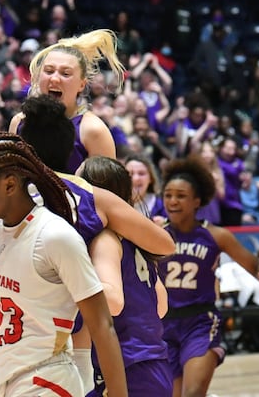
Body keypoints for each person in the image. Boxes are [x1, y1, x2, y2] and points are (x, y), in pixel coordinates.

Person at [0, 94, 177, 396]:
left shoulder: (2, 192)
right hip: (42, 331)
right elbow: (164, 244)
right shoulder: (92, 197)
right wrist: (113, 232)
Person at [0, 132, 128, 397]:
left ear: (10, 185)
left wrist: (118, 393)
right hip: (10, 382)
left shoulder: (54, 236)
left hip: (49, 380)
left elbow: (102, 324)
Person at [158, 155, 259, 397]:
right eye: (168, 195)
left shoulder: (216, 235)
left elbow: (251, 261)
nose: (172, 201)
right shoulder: (155, 233)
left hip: (200, 322)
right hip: (164, 324)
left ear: (197, 201)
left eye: (180, 196)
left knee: (192, 394)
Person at [78, 156, 172, 396]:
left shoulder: (106, 240)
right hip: (155, 363)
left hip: (129, 364)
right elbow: (161, 307)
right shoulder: (138, 239)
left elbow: (114, 302)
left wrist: (69, 281)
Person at [9, 29, 125, 172]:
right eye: (49, 71)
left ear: (82, 84)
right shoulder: (19, 122)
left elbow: (109, 192)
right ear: (38, 77)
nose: (55, 78)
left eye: (65, 73)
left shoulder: (93, 130)